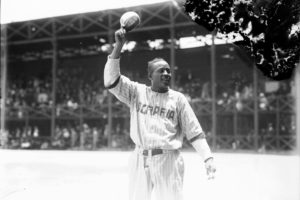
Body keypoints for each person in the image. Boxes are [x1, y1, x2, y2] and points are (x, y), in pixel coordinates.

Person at [103, 28, 216, 200]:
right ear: (150, 75)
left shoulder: (178, 99)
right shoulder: (136, 92)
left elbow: (194, 131)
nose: (166, 73)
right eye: (161, 70)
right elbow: (111, 80)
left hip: (168, 159)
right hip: (140, 158)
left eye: (168, 71)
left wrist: (207, 157)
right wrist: (118, 46)